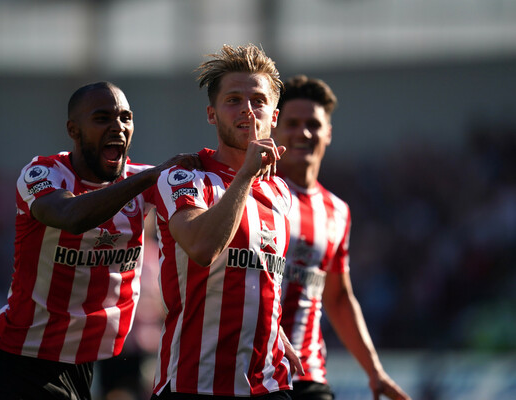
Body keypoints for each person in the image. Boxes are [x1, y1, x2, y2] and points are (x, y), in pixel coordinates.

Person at [0, 81, 200, 400]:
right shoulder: (43, 174)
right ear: (73, 130)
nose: (118, 127)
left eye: (125, 117)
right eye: (102, 118)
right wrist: (149, 177)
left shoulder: (143, 182)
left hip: (81, 364)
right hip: (18, 359)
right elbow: (71, 216)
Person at [150, 44, 303, 400]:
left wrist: (273, 331)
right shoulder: (185, 179)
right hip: (195, 384)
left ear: (274, 116)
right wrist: (246, 175)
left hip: (268, 383)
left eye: (258, 100)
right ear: (211, 114)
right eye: (233, 100)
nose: (248, 111)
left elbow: (258, 274)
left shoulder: (281, 192)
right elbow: (203, 248)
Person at [272, 75, 411, 400]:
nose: (304, 133)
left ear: (329, 133)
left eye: (314, 124)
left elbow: (338, 297)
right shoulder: (254, 194)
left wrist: (374, 371)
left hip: (309, 376)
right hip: (253, 374)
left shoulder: (336, 211)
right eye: (292, 123)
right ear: (274, 129)